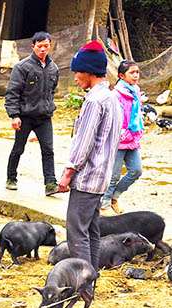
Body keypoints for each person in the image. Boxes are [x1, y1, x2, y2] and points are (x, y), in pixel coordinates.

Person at [54, 40, 122, 271]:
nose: (75, 78)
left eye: (77, 72)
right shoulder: (113, 98)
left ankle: (81, 284)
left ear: (88, 72)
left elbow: (83, 143)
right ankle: (91, 281)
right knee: (92, 231)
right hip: (102, 177)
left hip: (87, 178)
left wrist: (68, 172)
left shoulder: (94, 101)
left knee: (76, 233)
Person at [4, 31, 60, 193]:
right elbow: (13, 92)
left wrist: (49, 106)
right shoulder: (22, 67)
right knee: (18, 148)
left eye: (46, 46)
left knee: (48, 150)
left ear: (50, 46)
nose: (43, 49)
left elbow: (52, 90)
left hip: (44, 117)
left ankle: (50, 184)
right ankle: (11, 177)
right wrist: (14, 115)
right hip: (25, 116)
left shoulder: (53, 68)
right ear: (33, 46)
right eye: (40, 46)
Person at [102, 60, 144, 213]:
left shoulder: (136, 91)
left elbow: (137, 114)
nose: (135, 75)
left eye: (137, 72)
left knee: (136, 170)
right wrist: (119, 133)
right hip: (118, 140)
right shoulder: (115, 95)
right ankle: (105, 203)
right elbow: (111, 118)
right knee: (113, 175)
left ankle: (115, 196)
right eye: (132, 73)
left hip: (132, 139)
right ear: (121, 76)